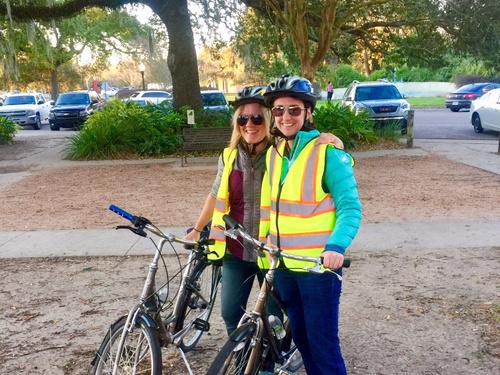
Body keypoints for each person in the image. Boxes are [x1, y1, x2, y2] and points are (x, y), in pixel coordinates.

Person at [184, 85, 344, 335]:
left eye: (257, 118)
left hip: (270, 251)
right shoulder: (229, 157)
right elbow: (215, 194)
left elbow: (310, 147)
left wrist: (328, 138)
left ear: (268, 120)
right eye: (243, 118)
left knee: (273, 316)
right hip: (236, 249)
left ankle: (269, 363)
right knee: (230, 313)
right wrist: (196, 229)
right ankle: (239, 361)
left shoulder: (281, 153)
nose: (250, 124)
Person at [259, 74, 362, 375]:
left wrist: (336, 246)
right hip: (284, 267)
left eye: (294, 109)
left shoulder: (327, 154)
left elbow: (350, 208)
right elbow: (270, 209)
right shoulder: (274, 155)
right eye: (279, 110)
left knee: (323, 347)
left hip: (318, 268)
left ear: (308, 113)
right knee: (302, 340)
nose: (285, 116)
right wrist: (264, 246)